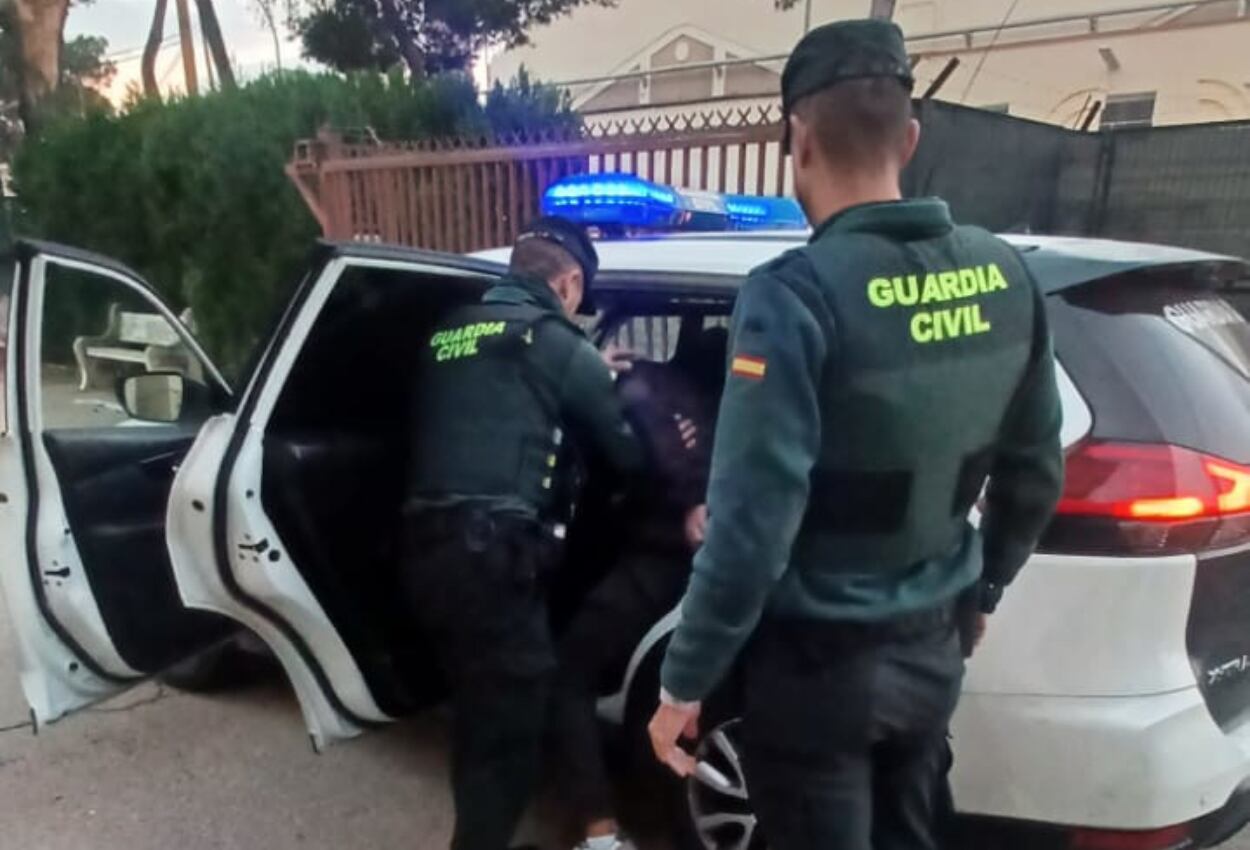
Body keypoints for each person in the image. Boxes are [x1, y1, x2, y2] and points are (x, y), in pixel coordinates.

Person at [647, 18, 1065, 850]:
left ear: (798, 140)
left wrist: (684, 680)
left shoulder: (793, 296)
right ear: (909, 139)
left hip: (819, 673)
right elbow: (1035, 473)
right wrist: (984, 590)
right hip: (933, 649)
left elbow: (751, 529)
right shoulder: (1007, 275)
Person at [402, 216, 642, 850]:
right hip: (493, 563)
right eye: (580, 297)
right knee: (508, 734)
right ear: (567, 284)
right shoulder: (556, 343)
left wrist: (581, 367)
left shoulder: (449, 329)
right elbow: (625, 456)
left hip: (427, 553)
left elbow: (503, 389)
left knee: (478, 714)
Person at [550, 327, 727, 850]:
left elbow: (650, 449)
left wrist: (689, 502)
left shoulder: (647, 384)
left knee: (567, 675)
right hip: (714, 564)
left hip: (660, 557)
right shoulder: (749, 403)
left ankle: (600, 832)